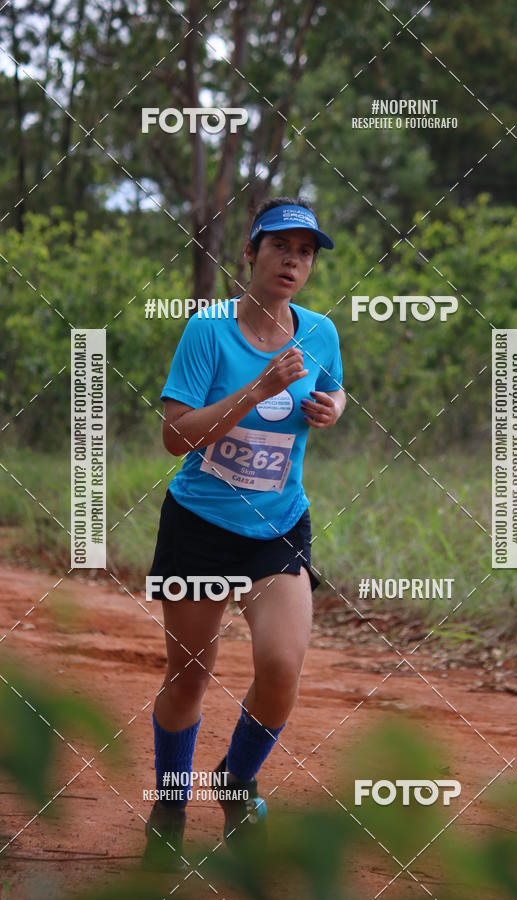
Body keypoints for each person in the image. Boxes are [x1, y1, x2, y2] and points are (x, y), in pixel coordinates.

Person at [141, 197, 345, 871]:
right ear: (251, 252)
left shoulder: (320, 333)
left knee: (282, 668)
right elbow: (176, 436)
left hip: (276, 528)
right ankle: (170, 805)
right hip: (198, 528)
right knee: (189, 677)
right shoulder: (208, 330)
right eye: (280, 246)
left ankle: (236, 782)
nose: (293, 261)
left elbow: (335, 389)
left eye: (306, 252)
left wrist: (332, 407)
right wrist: (256, 391)